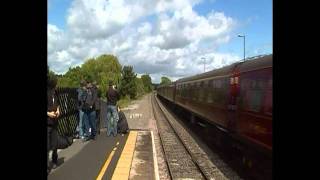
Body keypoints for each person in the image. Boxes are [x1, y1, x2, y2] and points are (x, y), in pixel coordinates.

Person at [47, 75, 61, 174]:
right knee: (47, 146)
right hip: (48, 122)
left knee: (55, 143)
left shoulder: (56, 93)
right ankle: (48, 166)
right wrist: (48, 113)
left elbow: (58, 103)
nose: (57, 85)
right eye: (56, 83)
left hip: (55, 121)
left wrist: (58, 110)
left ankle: (55, 160)